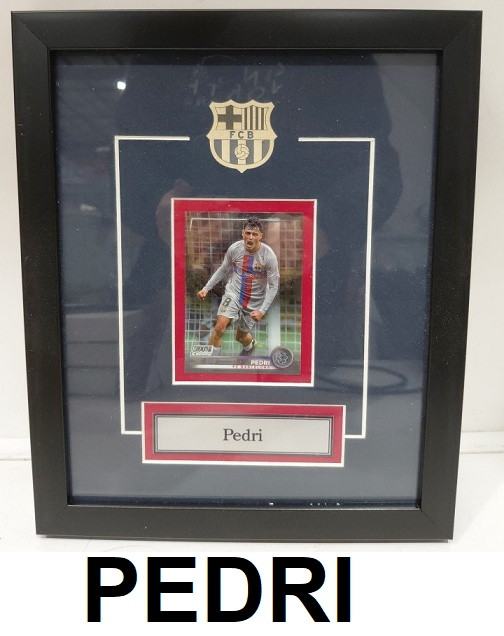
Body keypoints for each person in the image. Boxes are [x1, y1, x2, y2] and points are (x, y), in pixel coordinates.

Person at [197, 216, 279, 355]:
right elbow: (223, 269)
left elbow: (273, 287)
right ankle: (211, 362)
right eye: (248, 233)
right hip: (233, 293)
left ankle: (249, 347)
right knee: (219, 328)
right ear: (243, 233)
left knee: (240, 337)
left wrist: (261, 311)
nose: (250, 237)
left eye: (254, 234)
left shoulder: (269, 256)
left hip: (254, 301)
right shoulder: (234, 249)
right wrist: (206, 288)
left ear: (260, 236)